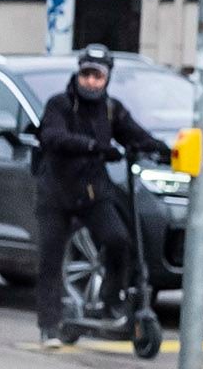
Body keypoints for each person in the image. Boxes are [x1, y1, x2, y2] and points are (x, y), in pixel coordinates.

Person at [31, 43, 168, 349]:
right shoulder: (59, 105)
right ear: (78, 74)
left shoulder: (111, 109)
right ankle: (49, 325)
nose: (91, 82)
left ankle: (111, 300)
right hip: (56, 193)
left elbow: (134, 134)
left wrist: (161, 149)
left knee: (119, 241)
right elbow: (53, 137)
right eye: (87, 75)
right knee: (50, 260)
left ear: (107, 78)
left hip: (94, 191)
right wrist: (94, 146)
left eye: (98, 76)